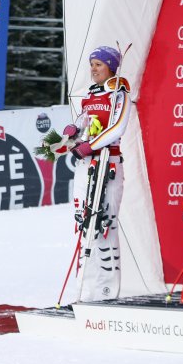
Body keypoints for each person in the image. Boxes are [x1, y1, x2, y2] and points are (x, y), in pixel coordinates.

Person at [52, 46, 131, 302]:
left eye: (98, 64)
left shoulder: (119, 93)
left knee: (105, 224)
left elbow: (116, 128)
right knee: (83, 223)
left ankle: (106, 292)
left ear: (110, 66)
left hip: (108, 162)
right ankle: (84, 291)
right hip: (86, 163)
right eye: (92, 64)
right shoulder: (91, 94)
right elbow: (85, 122)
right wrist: (73, 131)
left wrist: (90, 146)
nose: (93, 69)